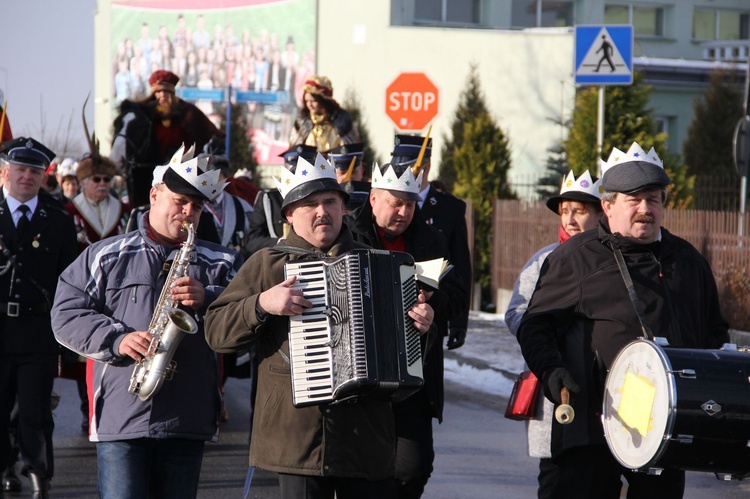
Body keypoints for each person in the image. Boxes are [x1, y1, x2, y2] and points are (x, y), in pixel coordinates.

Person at [204, 153, 436, 499]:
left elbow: (405, 357)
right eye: (309, 204)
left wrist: (421, 327)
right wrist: (261, 304)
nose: (321, 211)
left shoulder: (379, 264)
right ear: (289, 215)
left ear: (344, 207)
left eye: (330, 201)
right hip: (298, 441)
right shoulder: (267, 263)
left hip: (367, 438)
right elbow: (217, 333)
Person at [516, 142, 730, 499]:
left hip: (664, 430)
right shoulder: (576, 258)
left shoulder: (688, 262)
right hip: (591, 427)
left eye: (654, 199)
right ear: (608, 205)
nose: (645, 209)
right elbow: (535, 325)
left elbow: (713, 332)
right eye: (634, 199)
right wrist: (552, 371)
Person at [51, 146, 243, 499]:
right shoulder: (105, 254)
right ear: (154, 195)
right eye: (180, 201)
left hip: (188, 418)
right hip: (121, 419)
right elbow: (65, 313)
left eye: (197, 206)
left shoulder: (223, 262)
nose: (188, 212)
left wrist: (210, 296)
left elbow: (248, 316)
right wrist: (116, 340)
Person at [346, 161, 469, 498]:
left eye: (410, 204)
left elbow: (457, 291)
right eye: (395, 202)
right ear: (373, 199)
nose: (403, 211)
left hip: (412, 372)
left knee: (414, 466)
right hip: (357, 368)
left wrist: (434, 306)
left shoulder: (431, 241)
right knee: (361, 468)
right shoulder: (347, 234)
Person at [504, 170, 603, 499]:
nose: (571, 219)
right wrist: (547, 337)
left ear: (601, 211)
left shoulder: (614, 259)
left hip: (607, 395)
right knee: (558, 481)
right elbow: (516, 313)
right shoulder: (544, 260)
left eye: (580, 210)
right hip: (559, 389)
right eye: (565, 211)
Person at [0, 137, 78, 499]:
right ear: (6, 172)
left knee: (35, 409)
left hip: (37, 330)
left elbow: (69, 280)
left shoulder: (59, 221)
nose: (27, 177)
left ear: (44, 176)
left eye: (35, 171)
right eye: (21, 169)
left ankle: (38, 472)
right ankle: (4, 467)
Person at [62, 121, 132, 431]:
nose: (103, 183)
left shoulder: (125, 210)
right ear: (83, 181)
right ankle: (86, 405)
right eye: (97, 179)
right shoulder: (67, 210)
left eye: (107, 178)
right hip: (83, 289)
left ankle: (111, 405)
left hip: (116, 292)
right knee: (83, 352)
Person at [391, 134, 472, 351]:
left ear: (425, 166)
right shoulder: (388, 205)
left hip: (432, 317)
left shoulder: (450, 208)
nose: (402, 172)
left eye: (409, 167)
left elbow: (460, 266)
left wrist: (459, 322)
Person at [111, 69, 224, 207]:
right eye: (158, 92)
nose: (162, 96)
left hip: (184, 172)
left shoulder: (189, 113)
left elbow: (211, 135)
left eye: (166, 92)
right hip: (149, 173)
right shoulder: (144, 116)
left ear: (172, 93)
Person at [244, 144, 317, 257]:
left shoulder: (321, 197)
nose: (299, 171)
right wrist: (282, 243)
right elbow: (252, 241)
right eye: (293, 165)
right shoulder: (268, 198)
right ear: (285, 167)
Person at [289, 76, 360, 151]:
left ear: (323, 101)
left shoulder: (342, 121)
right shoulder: (302, 121)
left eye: (313, 101)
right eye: (307, 101)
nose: (309, 105)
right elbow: (294, 151)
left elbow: (351, 151)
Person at [324, 143, 370, 212]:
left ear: (362, 171)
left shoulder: (372, 194)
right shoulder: (324, 197)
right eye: (342, 172)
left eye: (353, 172)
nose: (348, 177)